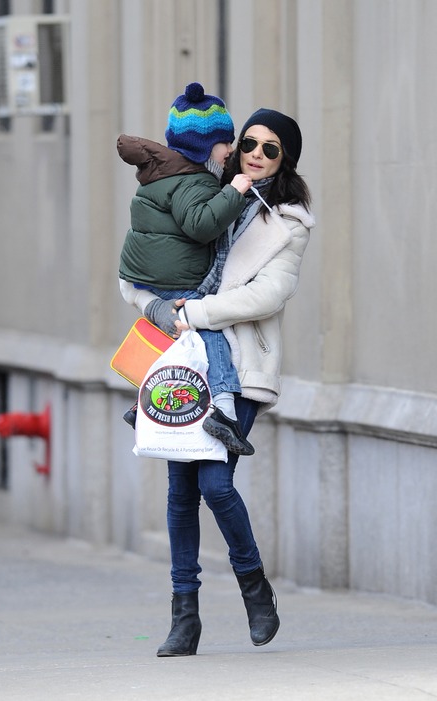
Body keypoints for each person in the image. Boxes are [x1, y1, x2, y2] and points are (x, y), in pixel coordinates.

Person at [121, 107, 315, 657]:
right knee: (180, 493)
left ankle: (255, 588)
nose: (255, 153)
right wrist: (156, 308)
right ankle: (185, 615)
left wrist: (196, 312)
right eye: (248, 141)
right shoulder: (200, 192)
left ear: (286, 159)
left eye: (270, 148)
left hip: (241, 365)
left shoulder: (291, 222)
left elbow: (268, 295)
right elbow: (143, 266)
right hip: (183, 359)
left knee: (214, 485)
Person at [118, 82, 254, 455]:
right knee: (207, 333)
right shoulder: (193, 181)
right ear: (203, 146)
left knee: (173, 341)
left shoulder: (164, 173)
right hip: (174, 277)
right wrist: (234, 192)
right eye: (225, 142)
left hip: (147, 273)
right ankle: (224, 410)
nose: (231, 150)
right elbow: (199, 224)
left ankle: (142, 401)